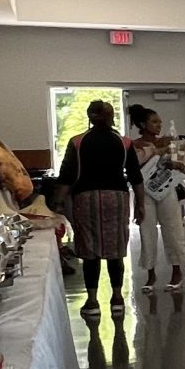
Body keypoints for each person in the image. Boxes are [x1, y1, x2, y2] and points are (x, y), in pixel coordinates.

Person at [59, 98, 142, 315]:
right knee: (115, 250)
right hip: (116, 199)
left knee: (90, 251)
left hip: (86, 199)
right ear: (111, 116)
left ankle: (93, 302)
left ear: (90, 117)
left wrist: (57, 204)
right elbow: (135, 176)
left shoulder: (77, 142)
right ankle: (117, 299)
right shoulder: (124, 143)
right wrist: (141, 204)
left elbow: (66, 176)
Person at [129, 104, 185, 298]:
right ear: (142, 124)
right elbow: (139, 162)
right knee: (147, 230)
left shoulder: (167, 141)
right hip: (145, 192)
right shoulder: (135, 145)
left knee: (172, 228)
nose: (158, 125)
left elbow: (176, 162)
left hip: (166, 190)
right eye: (154, 122)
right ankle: (150, 273)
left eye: (160, 122)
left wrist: (178, 163)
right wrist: (162, 150)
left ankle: (176, 270)